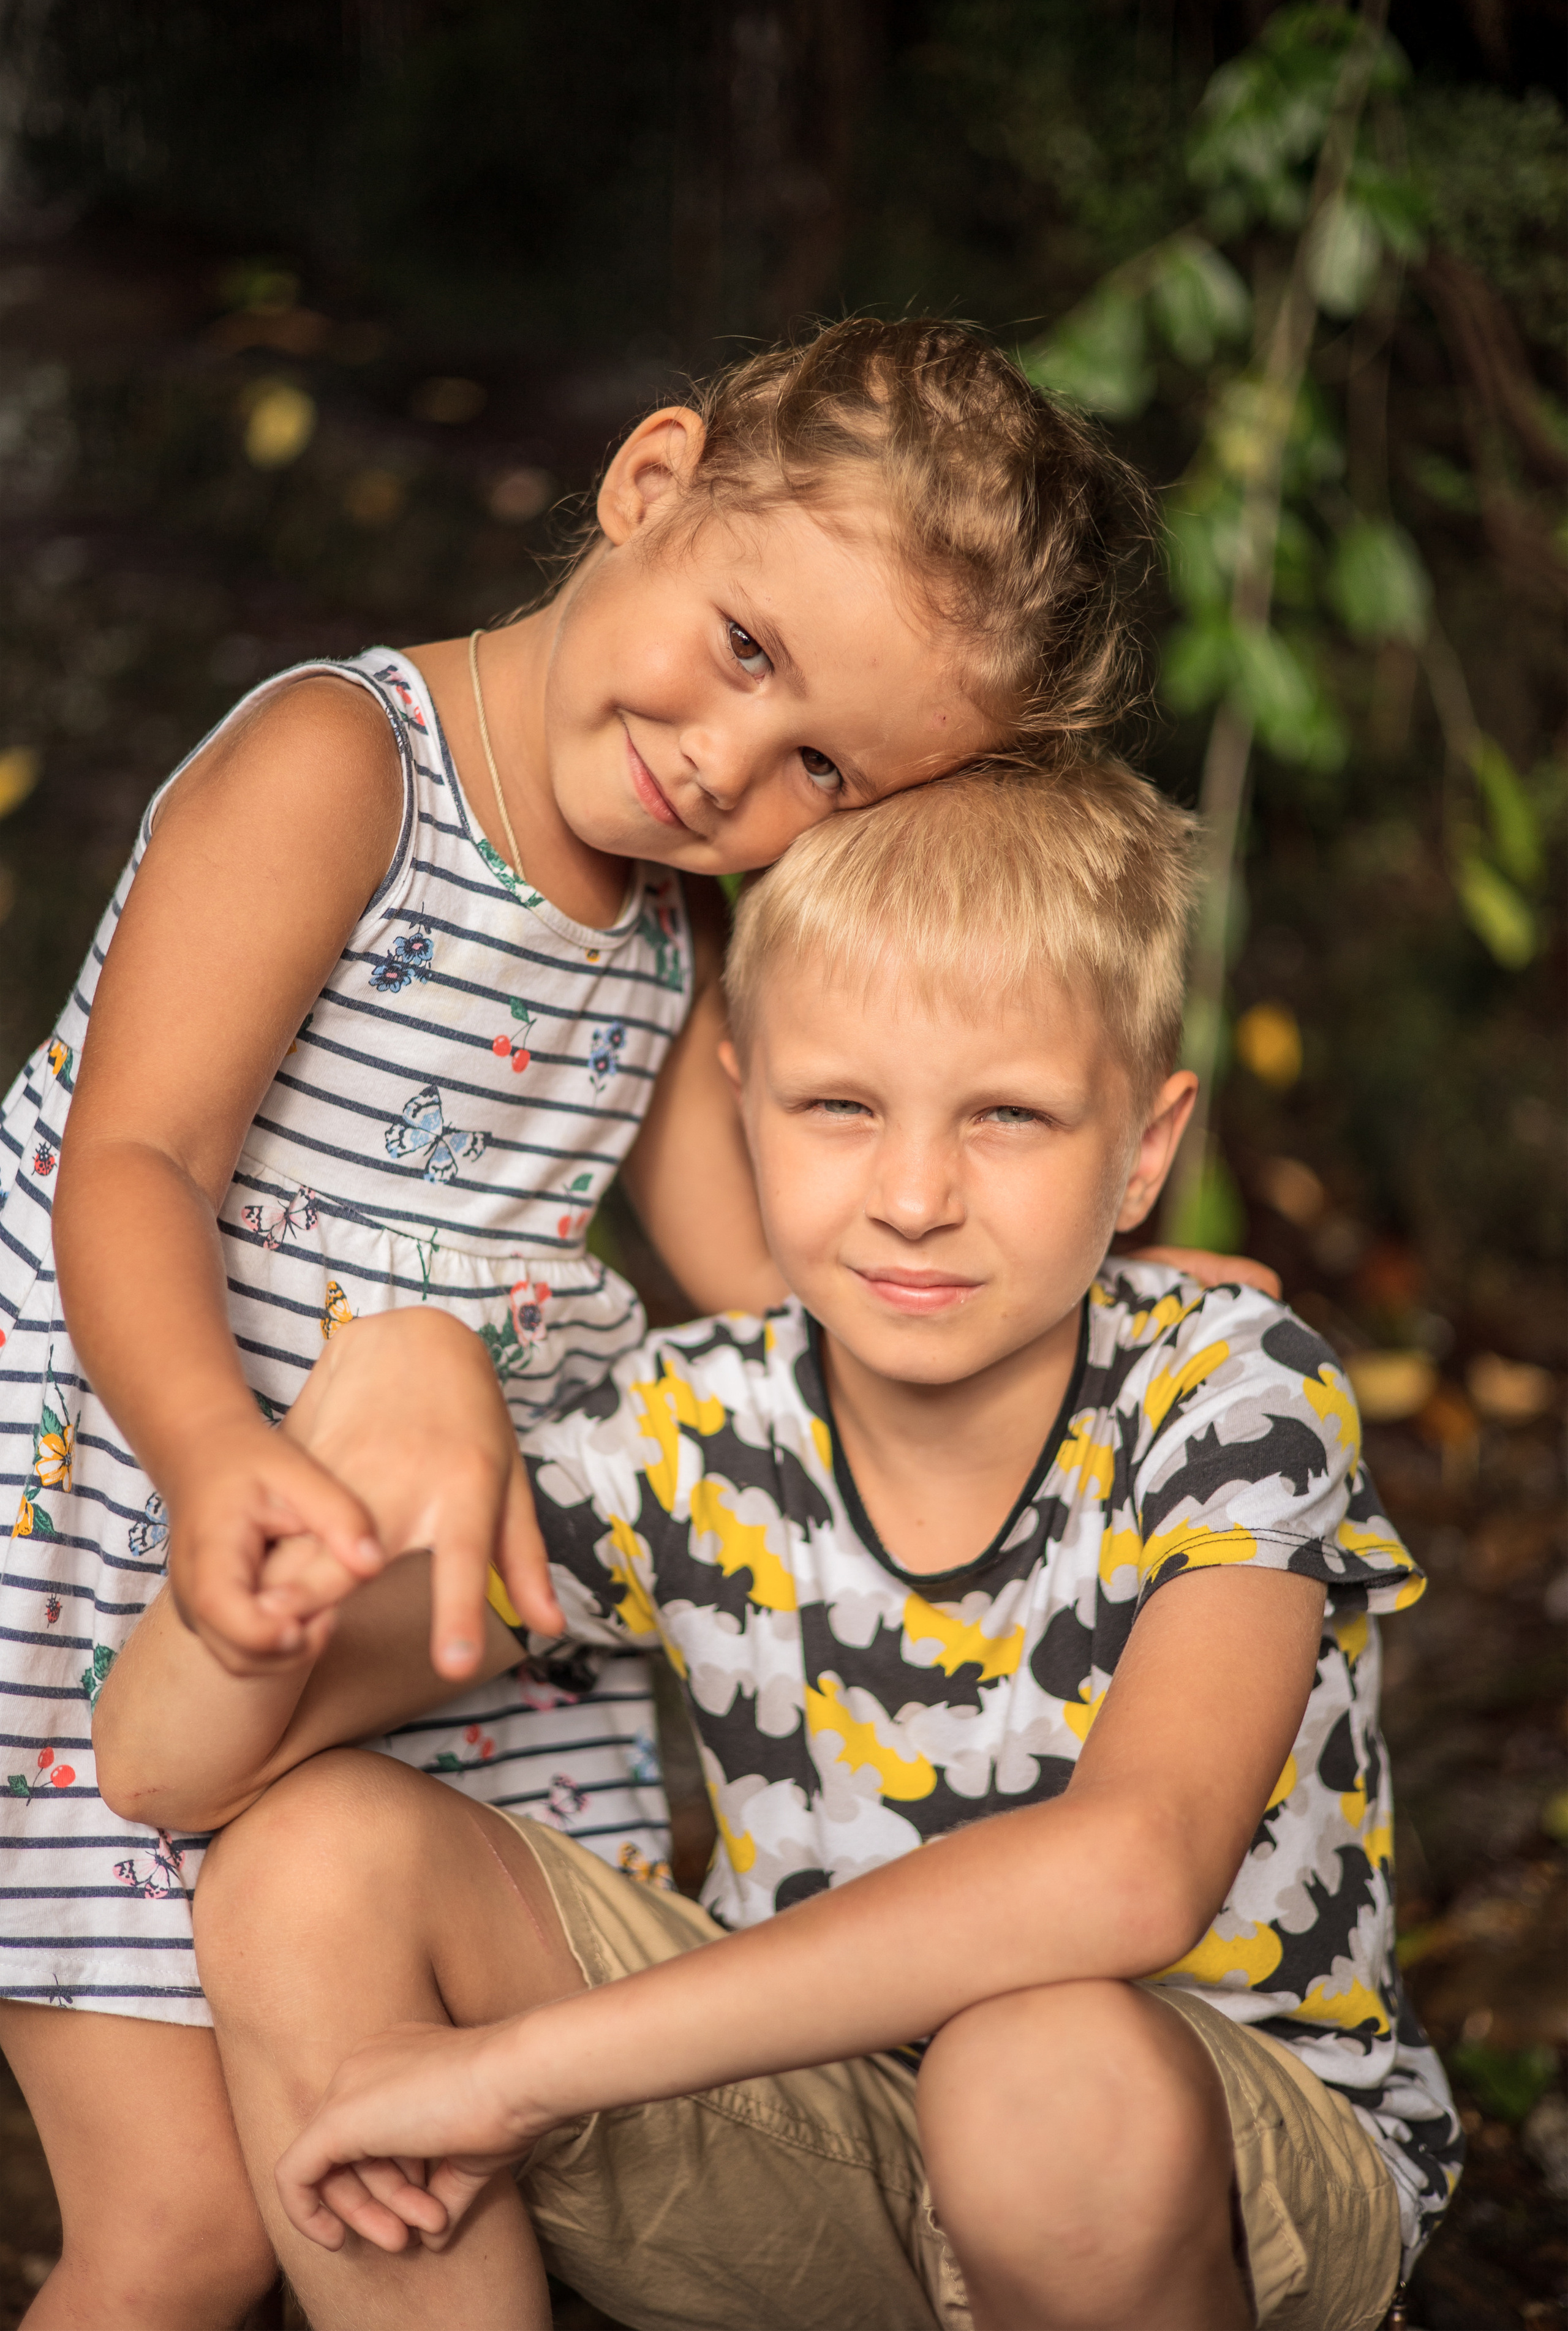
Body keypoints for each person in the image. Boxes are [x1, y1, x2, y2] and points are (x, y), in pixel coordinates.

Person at [0, 317, 1264, 2328]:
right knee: (185, 2228)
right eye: (749, 652)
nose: (728, 764)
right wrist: (212, 1454)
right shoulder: (348, 763)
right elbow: (133, 1158)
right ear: (652, 483)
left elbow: (788, 1302)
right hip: (138, 1514)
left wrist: (1076, 1307)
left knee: (422, 2150)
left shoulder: (671, 934)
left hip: (434, 1586)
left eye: (824, 769)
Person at [98, 764, 1461, 2331]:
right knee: (305, 1865)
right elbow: (167, 1767)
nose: (911, 1196)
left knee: (1039, 2074)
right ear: (740, 1099)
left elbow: (1132, 1871)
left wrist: (513, 2075)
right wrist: (345, 1428)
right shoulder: (685, 1432)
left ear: (1142, 1152)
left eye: (1006, 1116)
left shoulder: (1226, 1383)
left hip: (1204, 2145)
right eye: (838, 1107)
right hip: (819, 2135)